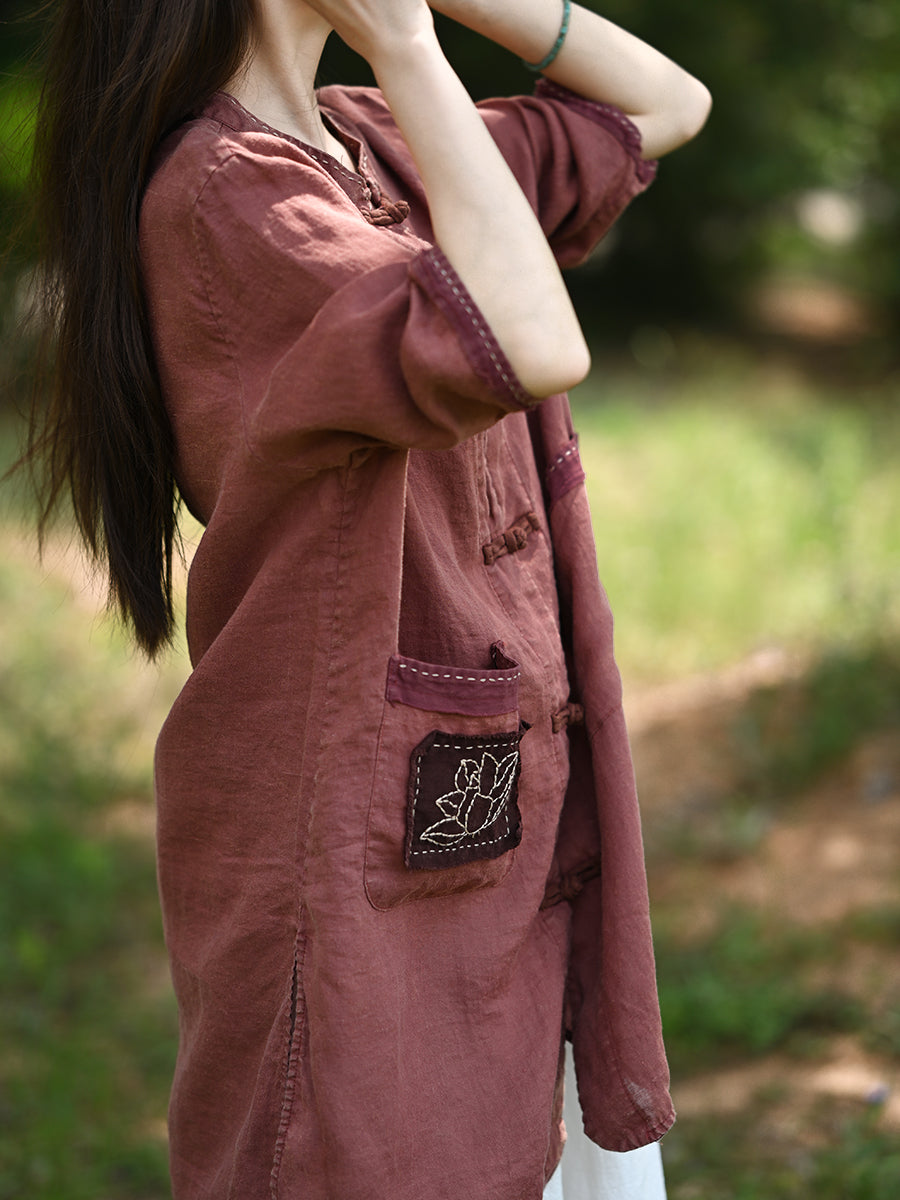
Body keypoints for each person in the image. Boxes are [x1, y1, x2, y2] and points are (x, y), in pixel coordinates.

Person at [21, 1, 710, 1196]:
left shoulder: (381, 137)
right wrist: (407, 43)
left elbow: (666, 104)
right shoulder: (227, 195)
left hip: (484, 800)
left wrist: (431, 20)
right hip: (344, 823)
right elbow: (534, 344)